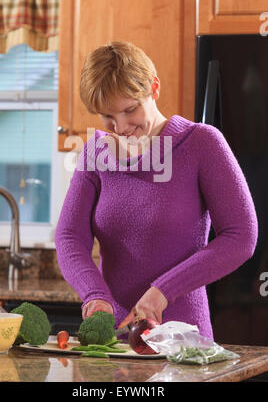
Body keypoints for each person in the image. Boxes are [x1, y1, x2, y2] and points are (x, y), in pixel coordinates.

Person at [55, 41, 258, 340]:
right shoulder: (94, 152)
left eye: (129, 110)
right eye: (108, 117)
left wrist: (164, 291)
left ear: (154, 88)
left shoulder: (201, 144)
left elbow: (241, 236)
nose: (121, 126)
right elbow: (69, 236)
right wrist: (94, 294)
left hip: (183, 339)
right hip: (113, 342)